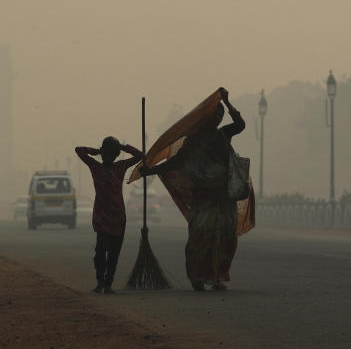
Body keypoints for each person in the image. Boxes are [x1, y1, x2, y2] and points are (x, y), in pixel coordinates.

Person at [141, 88, 246, 291]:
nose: (217, 118)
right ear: (206, 116)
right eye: (214, 114)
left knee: (225, 237)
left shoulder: (224, 134)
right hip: (203, 196)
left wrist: (227, 101)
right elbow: (175, 163)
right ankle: (197, 277)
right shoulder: (194, 140)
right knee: (200, 236)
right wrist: (151, 170)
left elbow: (240, 125)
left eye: (220, 115)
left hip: (224, 196)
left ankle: (217, 277)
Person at [75, 136, 144, 294]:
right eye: (106, 153)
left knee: (114, 253)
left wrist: (123, 146)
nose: (108, 157)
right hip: (102, 216)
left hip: (118, 216)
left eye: (111, 154)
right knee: (101, 251)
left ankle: (108, 283)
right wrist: (97, 151)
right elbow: (79, 150)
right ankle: (100, 281)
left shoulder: (120, 167)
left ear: (115, 155)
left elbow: (141, 156)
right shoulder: (95, 166)